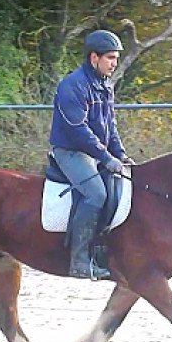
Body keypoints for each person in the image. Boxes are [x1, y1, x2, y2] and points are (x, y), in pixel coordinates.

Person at [49, 29, 135, 280]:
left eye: (116, 58)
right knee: (96, 193)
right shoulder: (72, 85)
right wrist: (107, 158)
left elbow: (111, 126)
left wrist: (119, 153)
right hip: (71, 151)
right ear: (93, 57)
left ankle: (102, 251)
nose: (114, 63)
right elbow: (78, 131)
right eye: (110, 58)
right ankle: (79, 262)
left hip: (94, 151)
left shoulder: (104, 86)